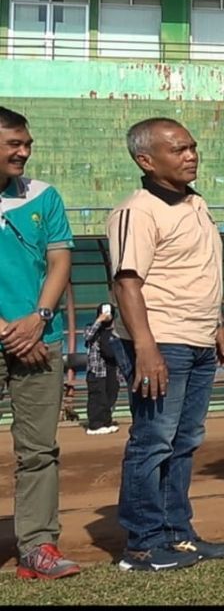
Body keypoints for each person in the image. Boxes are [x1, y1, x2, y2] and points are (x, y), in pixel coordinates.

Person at [107, 118, 224, 571]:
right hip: (162, 342)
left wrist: (218, 322)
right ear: (146, 160)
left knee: (184, 441)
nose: (191, 155)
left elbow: (196, 272)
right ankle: (143, 544)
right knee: (153, 441)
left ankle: (178, 535)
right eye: (179, 149)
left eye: (192, 147)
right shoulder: (137, 211)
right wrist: (145, 347)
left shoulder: (195, 203)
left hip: (198, 339)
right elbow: (127, 284)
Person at [0, 106, 80, 580]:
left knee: (39, 451)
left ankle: (38, 546)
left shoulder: (44, 196)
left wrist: (39, 318)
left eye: (27, 144)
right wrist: (10, 331)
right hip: (17, 337)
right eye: (15, 143)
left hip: (39, 339)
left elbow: (60, 261)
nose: (24, 152)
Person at [84, 302, 120, 435]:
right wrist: (99, 321)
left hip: (112, 369)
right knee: (97, 397)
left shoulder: (115, 330)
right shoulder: (91, 328)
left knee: (110, 395)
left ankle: (106, 422)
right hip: (96, 369)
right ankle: (95, 424)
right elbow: (88, 336)